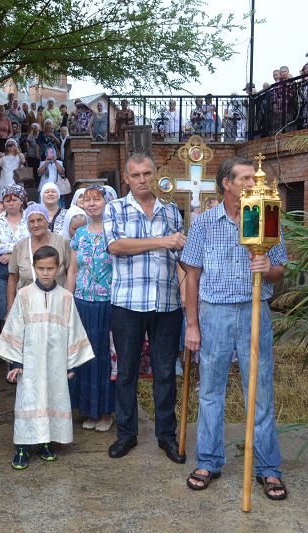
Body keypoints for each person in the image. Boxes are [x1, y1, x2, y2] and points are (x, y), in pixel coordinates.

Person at [181, 156, 288, 499]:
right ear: (226, 184)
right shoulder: (203, 223)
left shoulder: (267, 215)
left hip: (255, 311)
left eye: (254, 178)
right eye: (245, 178)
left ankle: (267, 467)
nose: (253, 183)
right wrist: (192, 324)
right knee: (211, 390)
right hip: (214, 313)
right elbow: (192, 275)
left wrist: (267, 266)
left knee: (260, 391)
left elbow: (279, 270)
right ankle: (208, 461)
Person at [103, 153, 186, 462]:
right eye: (135, 175)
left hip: (166, 303)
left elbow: (179, 255)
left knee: (165, 372)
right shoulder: (115, 208)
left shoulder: (171, 209)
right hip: (128, 303)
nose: (142, 180)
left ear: (155, 174)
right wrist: (164, 241)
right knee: (126, 372)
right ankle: (127, 434)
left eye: (147, 173)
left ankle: (166, 435)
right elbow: (116, 246)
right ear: (126, 178)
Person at [0, 245, 94, 469]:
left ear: (58, 268)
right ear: (34, 268)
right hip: (30, 362)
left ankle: (45, 442)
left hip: (56, 362)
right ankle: (22, 446)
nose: (46, 273)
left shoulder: (66, 298)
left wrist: (70, 364)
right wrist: (16, 361)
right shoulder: (24, 295)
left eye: (50, 268)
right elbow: (15, 327)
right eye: (41, 268)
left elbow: (74, 330)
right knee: (28, 401)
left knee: (52, 399)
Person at [66, 186, 115, 432]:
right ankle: (88, 409)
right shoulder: (80, 234)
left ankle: (106, 412)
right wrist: (67, 300)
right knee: (84, 356)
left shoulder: (115, 232)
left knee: (105, 357)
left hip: (108, 303)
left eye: (97, 199)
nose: (92, 203)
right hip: (82, 302)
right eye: (87, 199)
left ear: (107, 202)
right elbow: (73, 270)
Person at [6, 204, 72, 316]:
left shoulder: (62, 242)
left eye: (39, 220)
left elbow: (71, 272)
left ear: (47, 221)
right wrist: (10, 309)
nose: (36, 225)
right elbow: (12, 279)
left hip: (57, 306)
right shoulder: (20, 246)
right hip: (27, 306)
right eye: (31, 221)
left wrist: (69, 302)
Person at [0, 185, 29, 355]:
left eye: (15, 199)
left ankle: (26, 352)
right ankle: (10, 355)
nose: (11, 203)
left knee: (26, 311)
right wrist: (19, 248)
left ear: (22, 200)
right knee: (5, 312)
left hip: (26, 270)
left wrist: (11, 254)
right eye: (7, 200)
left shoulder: (30, 218)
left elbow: (34, 242)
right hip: (1, 271)